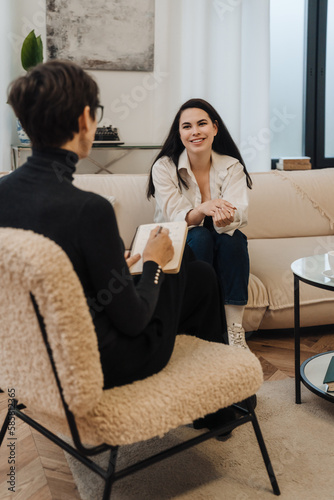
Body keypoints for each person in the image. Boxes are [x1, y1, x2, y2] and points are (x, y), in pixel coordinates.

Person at [0, 61, 227, 395]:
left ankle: (217, 403)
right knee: (191, 264)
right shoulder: (90, 211)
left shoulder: (4, 193)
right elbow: (134, 321)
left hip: (33, 357)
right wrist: (153, 262)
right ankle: (221, 404)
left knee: (202, 275)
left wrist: (110, 263)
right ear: (84, 120)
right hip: (105, 360)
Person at [147, 98, 252, 349]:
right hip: (176, 241)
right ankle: (201, 330)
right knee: (200, 236)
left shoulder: (231, 166)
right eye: (187, 126)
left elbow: (239, 211)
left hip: (221, 242)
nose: (195, 131)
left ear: (214, 128)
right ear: (179, 133)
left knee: (233, 238)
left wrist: (226, 217)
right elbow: (175, 216)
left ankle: (234, 330)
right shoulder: (164, 167)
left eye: (202, 124)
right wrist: (203, 209)